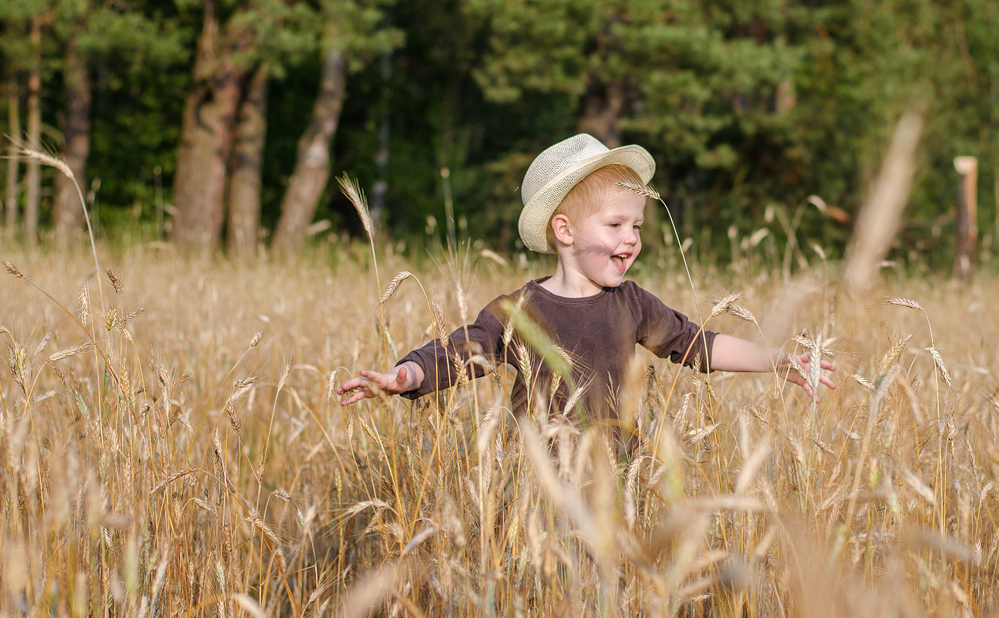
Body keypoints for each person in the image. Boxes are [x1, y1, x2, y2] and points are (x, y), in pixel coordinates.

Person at [338, 134, 836, 424]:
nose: (632, 239)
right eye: (615, 225)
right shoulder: (520, 312)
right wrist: (405, 377)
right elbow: (461, 351)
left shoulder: (634, 305)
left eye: (637, 226)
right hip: (537, 491)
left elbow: (696, 344)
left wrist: (774, 360)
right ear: (565, 230)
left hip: (614, 482)